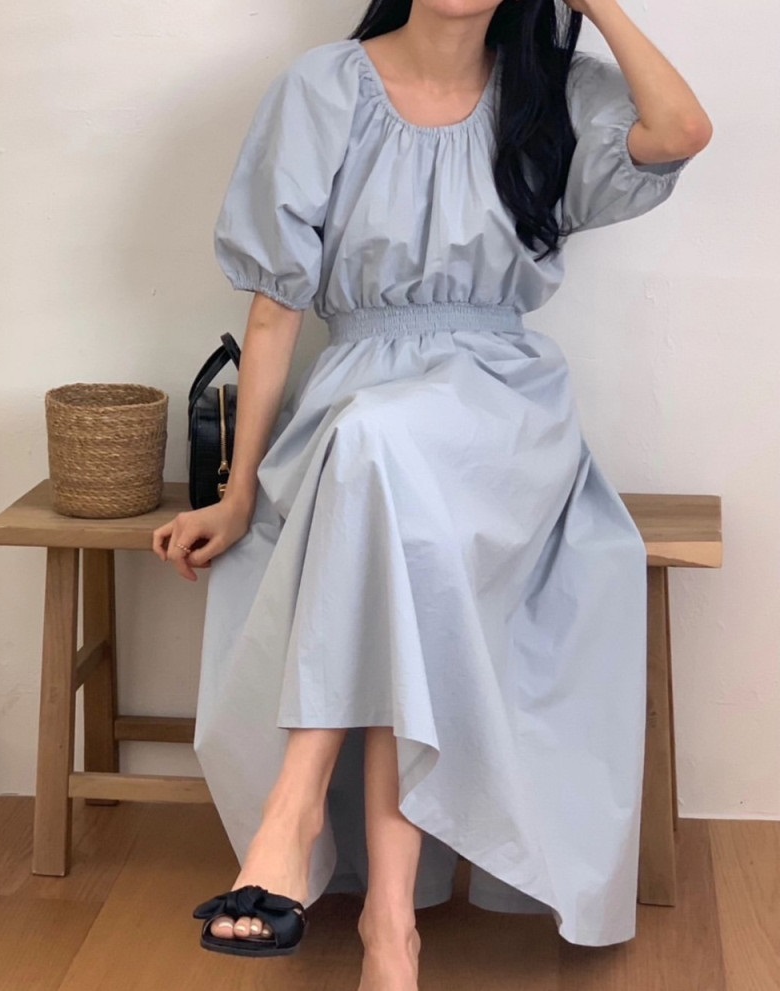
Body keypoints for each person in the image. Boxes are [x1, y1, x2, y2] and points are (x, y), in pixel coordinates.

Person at [152, 0, 712, 986]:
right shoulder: (323, 89)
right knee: (383, 483)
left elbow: (678, 132)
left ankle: (294, 810)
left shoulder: (545, 95)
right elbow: (275, 311)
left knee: (380, 463)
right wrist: (237, 495)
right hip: (355, 403)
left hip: (500, 412)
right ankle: (390, 929)